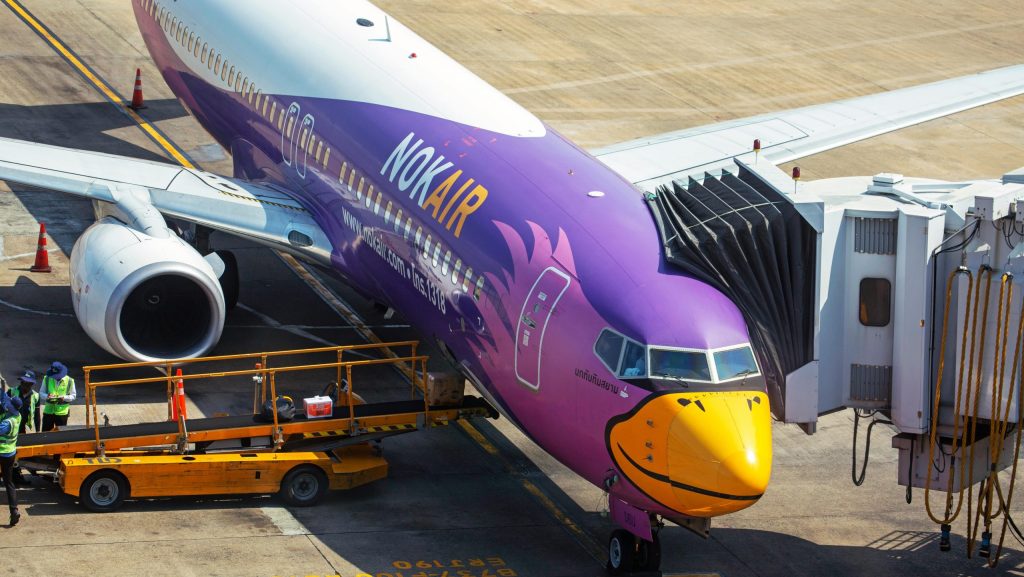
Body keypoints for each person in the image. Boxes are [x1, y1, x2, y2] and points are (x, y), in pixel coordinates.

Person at [0, 392, 22, 526]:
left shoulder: (7, 423)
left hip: (1, 453)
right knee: (9, 483)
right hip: (10, 454)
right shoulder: (17, 416)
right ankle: (14, 511)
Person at [40, 361, 75, 432]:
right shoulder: (46, 378)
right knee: (45, 434)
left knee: (60, 435)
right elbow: (41, 393)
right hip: (48, 411)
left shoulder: (70, 381)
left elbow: (73, 396)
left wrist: (64, 398)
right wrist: (47, 396)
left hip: (62, 413)